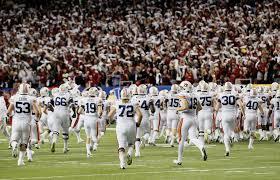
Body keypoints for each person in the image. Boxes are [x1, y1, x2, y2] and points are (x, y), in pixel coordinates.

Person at [108, 88, 142, 169]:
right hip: (131, 125)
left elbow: (109, 115)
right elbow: (140, 115)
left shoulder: (117, 102)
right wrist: (138, 123)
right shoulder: (134, 103)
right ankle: (130, 153)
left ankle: (122, 164)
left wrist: (110, 121)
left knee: (121, 146)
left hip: (120, 126)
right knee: (131, 144)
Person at [173, 81, 207, 165]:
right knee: (193, 138)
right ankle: (202, 147)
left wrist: (177, 109)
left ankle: (179, 160)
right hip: (194, 119)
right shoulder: (195, 94)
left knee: (181, 140)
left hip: (185, 118)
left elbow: (185, 106)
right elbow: (199, 107)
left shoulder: (182, 94)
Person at [7, 83, 40, 166]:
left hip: (16, 122)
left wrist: (11, 115)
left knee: (13, 139)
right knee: (24, 142)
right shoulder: (31, 98)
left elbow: (8, 112)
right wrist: (36, 119)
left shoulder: (14, 97)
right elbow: (37, 112)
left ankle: (14, 146)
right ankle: (20, 161)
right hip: (26, 122)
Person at [216, 82, 242, 156]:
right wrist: (243, 112)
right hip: (233, 115)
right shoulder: (234, 94)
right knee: (231, 130)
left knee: (226, 133)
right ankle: (231, 137)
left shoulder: (221, 95)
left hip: (224, 115)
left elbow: (217, 108)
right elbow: (241, 104)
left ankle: (227, 150)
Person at [49, 83, 74, 153]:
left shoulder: (55, 94)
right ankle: (65, 147)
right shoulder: (68, 95)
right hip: (65, 113)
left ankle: (54, 141)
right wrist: (74, 112)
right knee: (65, 131)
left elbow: (49, 105)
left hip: (56, 113)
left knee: (56, 130)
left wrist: (54, 111)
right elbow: (72, 105)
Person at [78, 87, 102, 158]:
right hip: (93, 119)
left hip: (86, 119)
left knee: (88, 136)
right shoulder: (98, 99)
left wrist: (85, 113)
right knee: (94, 137)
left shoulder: (84, 99)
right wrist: (98, 115)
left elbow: (79, 111)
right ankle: (95, 145)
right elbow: (100, 112)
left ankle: (88, 152)